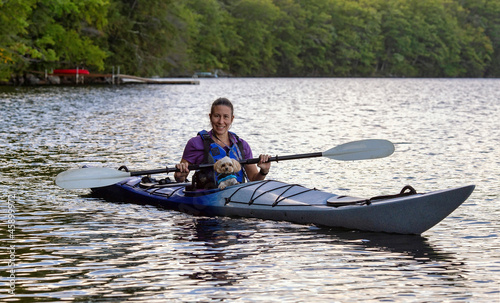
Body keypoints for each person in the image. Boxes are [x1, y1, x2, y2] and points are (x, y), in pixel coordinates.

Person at [174, 98, 271, 187]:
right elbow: (180, 178)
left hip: (236, 194)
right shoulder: (195, 143)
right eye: (217, 116)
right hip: (206, 197)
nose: (221, 121)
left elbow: (254, 179)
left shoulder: (242, 145)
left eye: (226, 117)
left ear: (232, 119)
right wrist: (180, 175)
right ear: (210, 117)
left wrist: (263, 171)